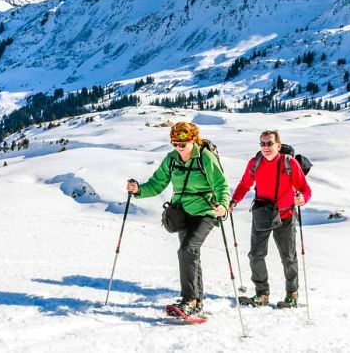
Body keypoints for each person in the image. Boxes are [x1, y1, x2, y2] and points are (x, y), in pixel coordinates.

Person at [127, 122, 229, 318]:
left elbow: (221, 185)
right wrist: (138, 190)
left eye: (182, 144)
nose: (178, 148)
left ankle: (189, 300)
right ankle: (197, 300)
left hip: (205, 211)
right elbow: (157, 184)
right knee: (190, 254)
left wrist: (223, 206)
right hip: (181, 213)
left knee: (187, 249)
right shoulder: (172, 159)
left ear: (193, 140)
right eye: (174, 144)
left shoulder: (205, 158)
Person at [229, 129, 311, 308]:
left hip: (285, 215)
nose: (266, 147)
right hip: (263, 214)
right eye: (263, 143)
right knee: (255, 255)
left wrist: (302, 199)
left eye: (270, 143)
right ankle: (262, 294)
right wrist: (234, 200)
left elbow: (305, 188)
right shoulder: (255, 162)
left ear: (278, 146)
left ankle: (292, 294)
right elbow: (245, 184)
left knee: (288, 257)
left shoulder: (289, 163)